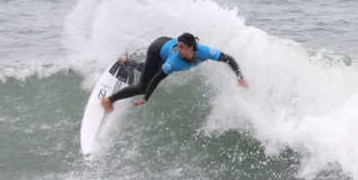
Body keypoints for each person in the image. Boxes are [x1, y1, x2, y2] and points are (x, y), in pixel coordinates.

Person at [101, 33, 248, 113]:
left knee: (149, 70)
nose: (179, 50)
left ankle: (126, 61)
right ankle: (108, 100)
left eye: (182, 47)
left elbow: (228, 59)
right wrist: (146, 97)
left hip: (165, 42)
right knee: (143, 85)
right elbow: (157, 79)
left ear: (192, 47)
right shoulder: (174, 61)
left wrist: (240, 77)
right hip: (157, 49)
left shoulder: (205, 51)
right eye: (178, 47)